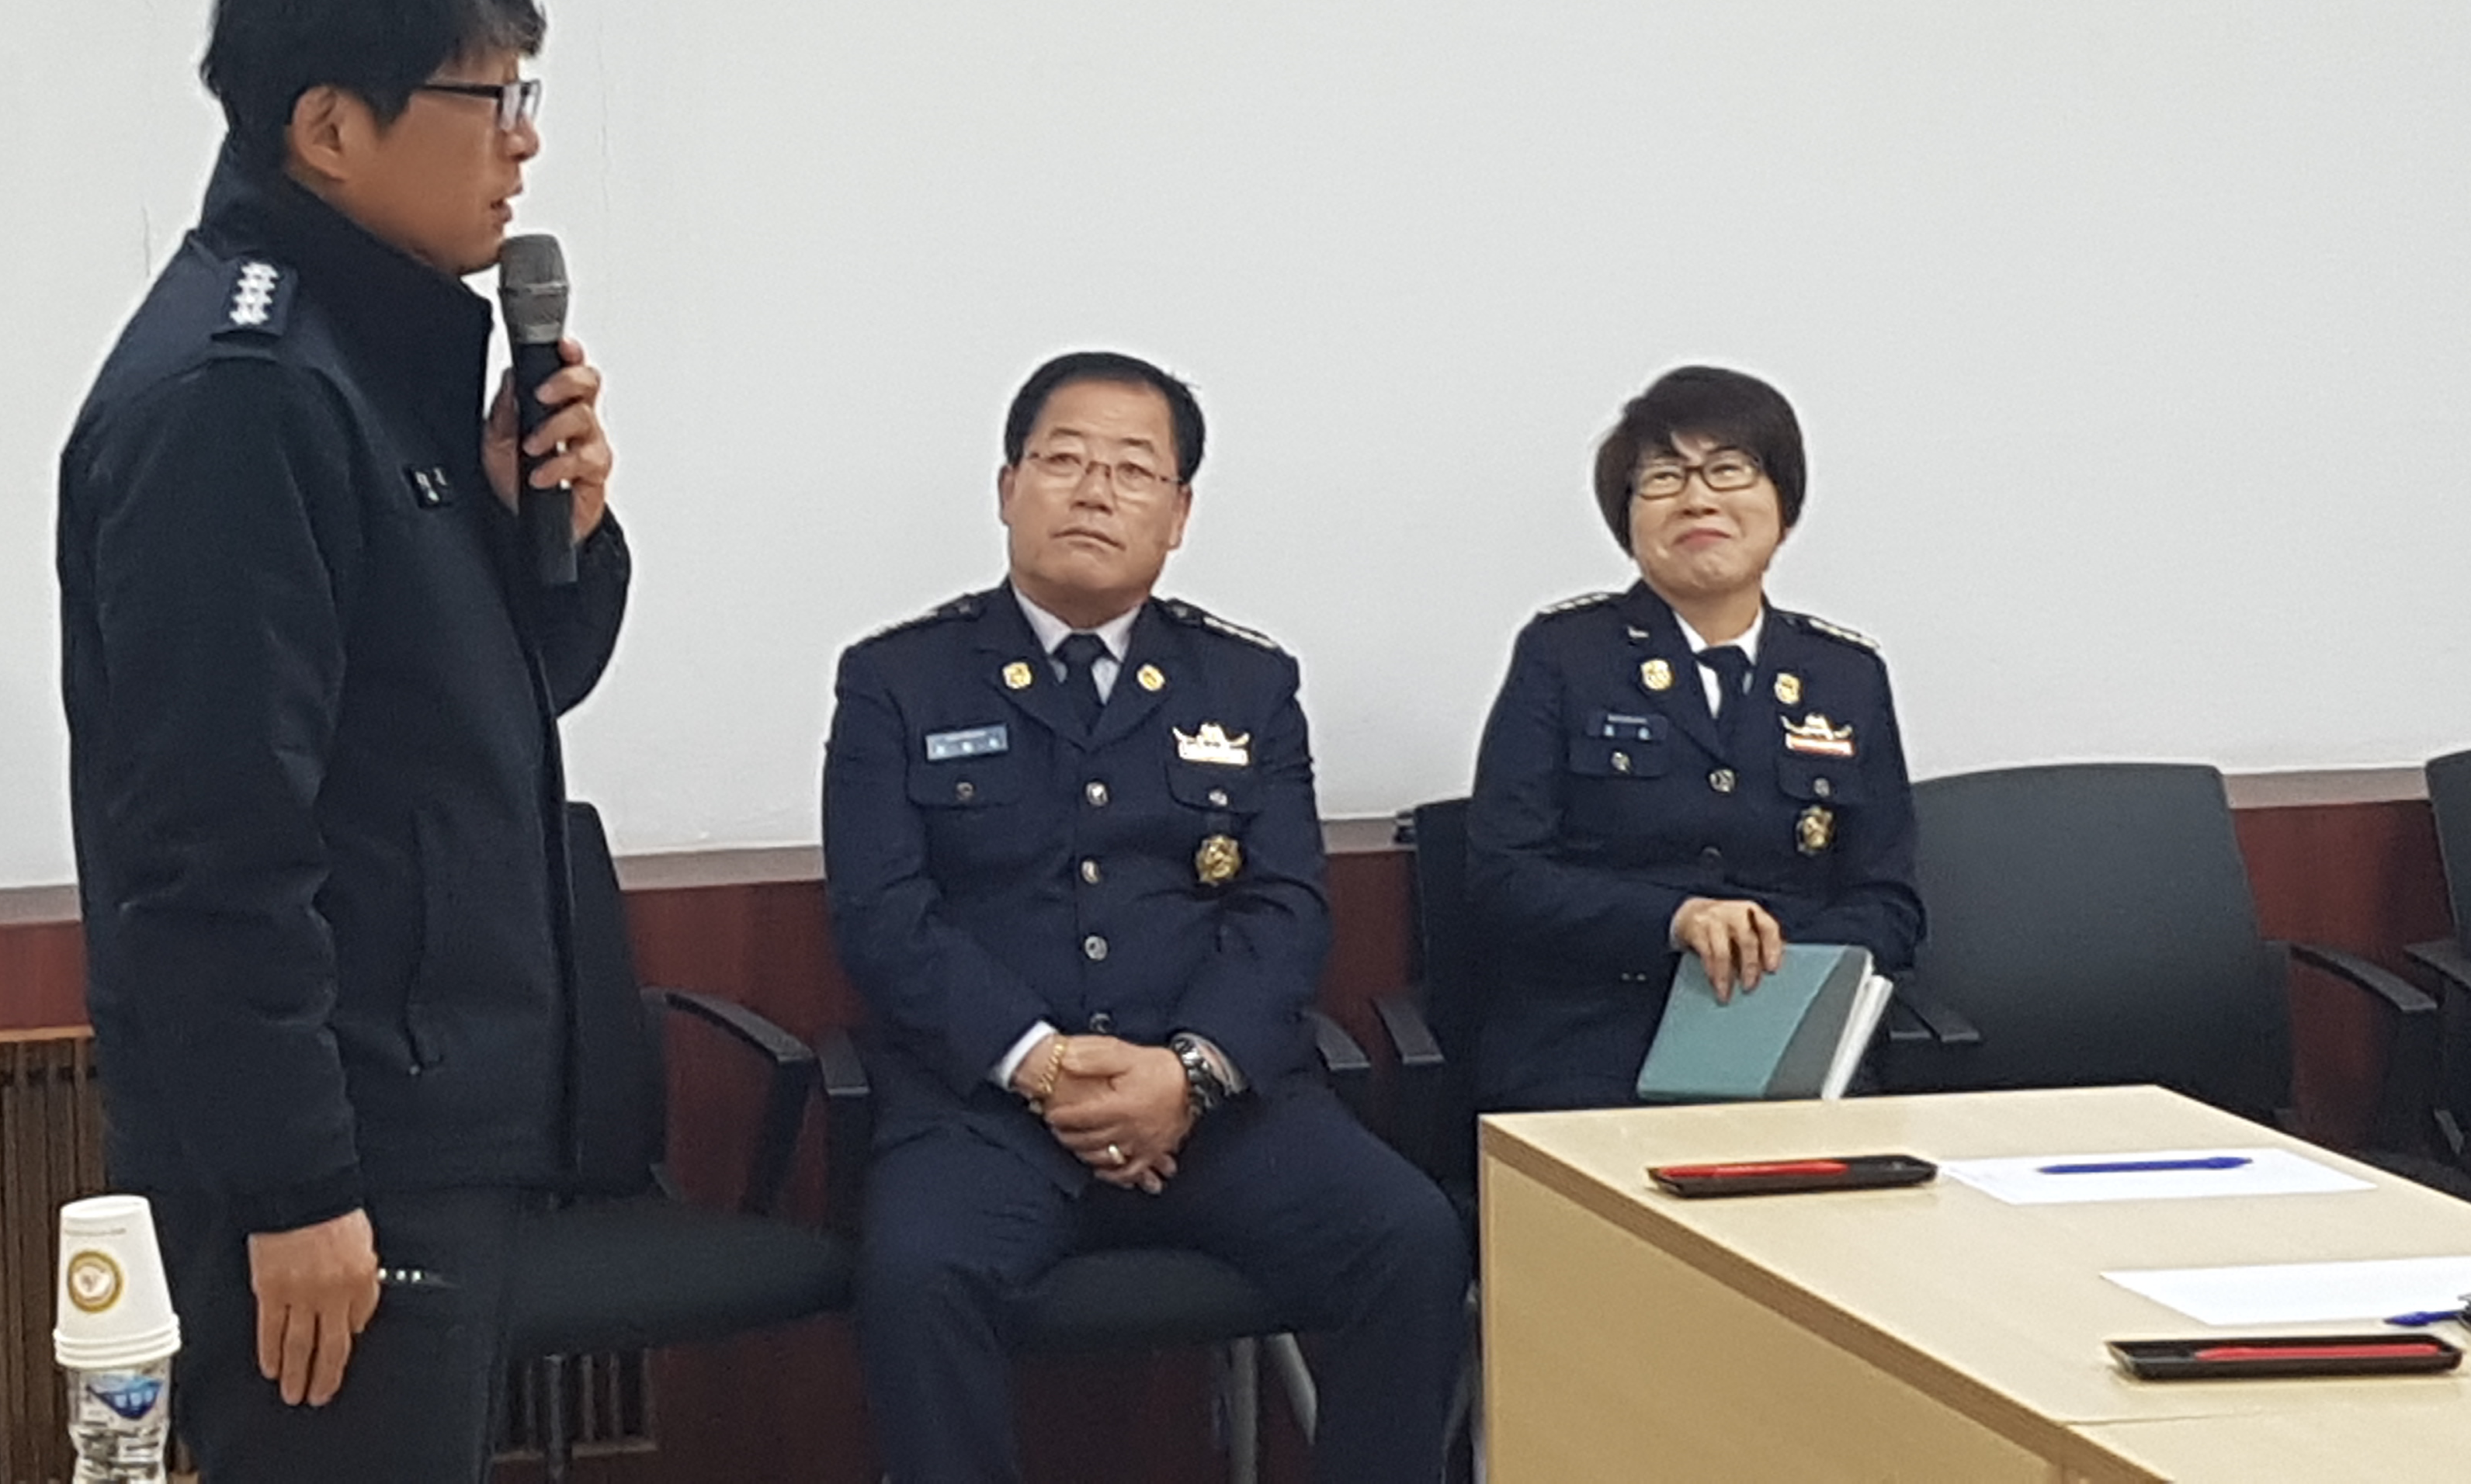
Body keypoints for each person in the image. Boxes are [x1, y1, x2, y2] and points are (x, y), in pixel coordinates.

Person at [57, 0, 628, 1482]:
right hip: (338, 1156)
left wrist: (547, 532)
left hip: (426, 1121)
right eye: (488, 97)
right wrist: (296, 1185)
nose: (525, 141)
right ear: (328, 128)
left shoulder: (377, 365)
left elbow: (505, 705)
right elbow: (211, 841)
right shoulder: (241, 398)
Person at [823, 352, 1470, 1484]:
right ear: (1008, 487)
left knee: (1412, 1240)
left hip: (1217, 1107)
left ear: (1177, 515)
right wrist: (1043, 1066)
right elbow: (885, 915)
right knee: (920, 1277)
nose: (1093, 490)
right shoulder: (898, 679)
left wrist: (1188, 1076)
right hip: (986, 1111)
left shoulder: (1247, 683)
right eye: (1063, 460)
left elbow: (1285, 908)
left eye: (1131, 470)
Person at [1466, 364, 1921, 1111]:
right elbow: (1505, 877)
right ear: (1629, 519)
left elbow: (1888, 901)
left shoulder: (1847, 676)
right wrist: (1679, 921)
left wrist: (1772, 952)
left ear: (1784, 507)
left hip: (1790, 1030)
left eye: (1728, 470)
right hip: (1592, 1041)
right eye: (1663, 478)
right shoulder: (1565, 654)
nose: (1697, 498)